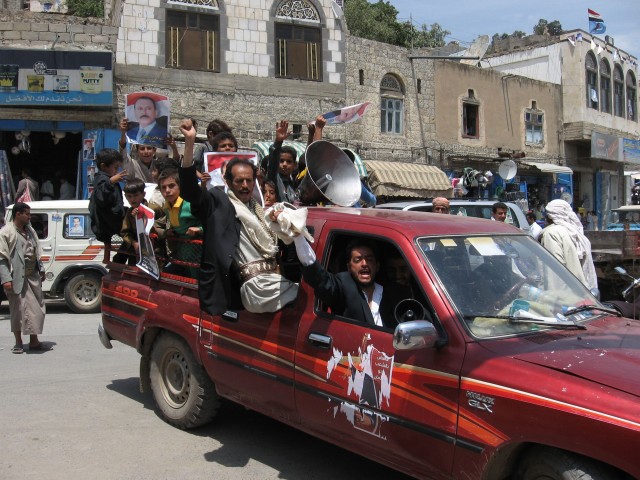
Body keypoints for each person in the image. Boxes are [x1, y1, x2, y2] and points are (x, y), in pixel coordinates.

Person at [179, 118, 298, 314]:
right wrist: (190, 141)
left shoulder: (259, 208)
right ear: (227, 182)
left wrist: (278, 143)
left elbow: (272, 175)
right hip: (253, 289)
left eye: (249, 180)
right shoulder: (218, 202)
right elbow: (189, 191)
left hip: (275, 279)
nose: (244, 185)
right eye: (239, 181)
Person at [293, 236, 405, 328]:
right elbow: (321, 279)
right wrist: (298, 237)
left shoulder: (392, 292)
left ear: (377, 266)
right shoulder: (344, 285)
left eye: (369, 259)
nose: (364, 264)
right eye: (357, 260)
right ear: (349, 267)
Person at [0, 202, 47, 354]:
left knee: (36, 310)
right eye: (27, 214)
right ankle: (18, 342)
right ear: (18, 214)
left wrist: (41, 269)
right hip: (15, 277)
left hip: (32, 276)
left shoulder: (30, 230)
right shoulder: (6, 232)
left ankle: (34, 340)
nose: (29, 217)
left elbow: (36, 251)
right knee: (17, 311)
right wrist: (6, 279)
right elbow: (2, 259)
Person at [540, 199, 597, 290]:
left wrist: (555, 296)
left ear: (550, 216)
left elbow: (555, 271)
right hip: (582, 290)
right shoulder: (575, 232)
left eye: (546, 215)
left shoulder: (551, 233)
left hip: (565, 293)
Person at [88, 149, 127, 262]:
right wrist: (110, 182)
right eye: (115, 168)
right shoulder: (103, 180)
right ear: (103, 166)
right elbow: (101, 196)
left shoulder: (106, 179)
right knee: (132, 237)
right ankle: (119, 260)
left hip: (112, 221)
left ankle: (119, 259)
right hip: (109, 223)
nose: (117, 171)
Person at [265, 120, 298, 204]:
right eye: (281, 161)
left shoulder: (293, 184)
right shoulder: (273, 179)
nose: (284, 164)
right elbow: (273, 161)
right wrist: (278, 142)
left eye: (289, 162)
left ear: (294, 165)